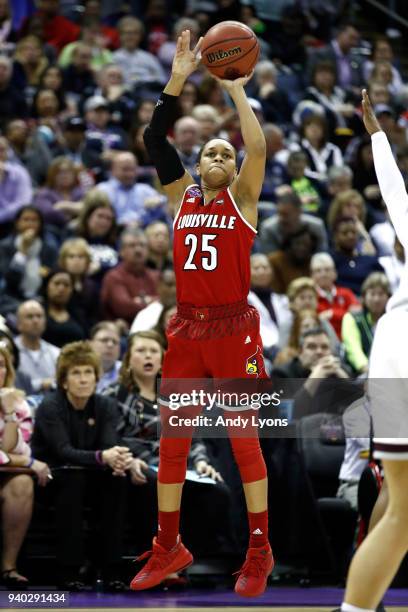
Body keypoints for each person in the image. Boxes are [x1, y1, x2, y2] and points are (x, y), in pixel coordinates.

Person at [131, 30, 273, 597]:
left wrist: (237, 91)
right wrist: (178, 79)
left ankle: (259, 550)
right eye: (209, 151)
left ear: (234, 169)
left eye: (226, 153)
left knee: (244, 440)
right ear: (197, 165)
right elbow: (151, 136)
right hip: (187, 327)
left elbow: (257, 150)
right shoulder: (180, 197)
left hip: (234, 327)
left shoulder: (244, 200)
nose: (219, 155)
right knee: (173, 439)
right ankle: (169, 546)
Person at [332, 89, 408, 612]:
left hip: (393, 338)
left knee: (401, 509)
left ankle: (355, 609)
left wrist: (377, 134)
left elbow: (394, 190)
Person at [31, 341, 132, 590]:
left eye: (88, 372)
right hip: (53, 478)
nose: (84, 379)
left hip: (93, 476)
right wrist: (103, 457)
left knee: (118, 479)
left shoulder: (105, 405)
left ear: (96, 377)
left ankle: (112, 569)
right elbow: (63, 452)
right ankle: (69, 570)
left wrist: (118, 460)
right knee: (73, 482)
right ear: (64, 381)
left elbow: (109, 444)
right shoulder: (50, 406)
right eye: (76, 373)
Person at [0, 345, 51, 588]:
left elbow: (17, 450)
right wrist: (29, 463)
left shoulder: (19, 404)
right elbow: (23, 458)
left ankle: (8, 567)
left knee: (22, 484)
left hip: (8, 475)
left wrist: (9, 412)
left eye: (1, 365)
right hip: (10, 467)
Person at [342, 272, 390, 375]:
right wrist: (367, 369)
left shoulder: (392, 319)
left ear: (388, 297)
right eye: (372, 294)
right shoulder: (352, 318)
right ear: (364, 296)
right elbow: (354, 351)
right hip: (361, 374)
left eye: (381, 294)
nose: (376, 299)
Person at [310, 252, 360, 339]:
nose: (323, 274)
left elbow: (357, 315)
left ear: (335, 273)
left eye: (327, 270)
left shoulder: (346, 293)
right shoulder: (310, 297)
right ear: (312, 276)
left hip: (351, 338)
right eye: (318, 271)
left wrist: (332, 314)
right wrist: (345, 313)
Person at [14, 300, 60, 394]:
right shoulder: (9, 351)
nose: (36, 321)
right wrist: (41, 384)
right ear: (18, 324)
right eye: (29, 317)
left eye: (39, 316)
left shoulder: (56, 353)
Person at [90, 321, 121, 392]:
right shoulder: (78, 370)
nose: (110, 345)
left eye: (115, 342)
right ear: (91, 344)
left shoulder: (128, 373)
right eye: (104, 340)